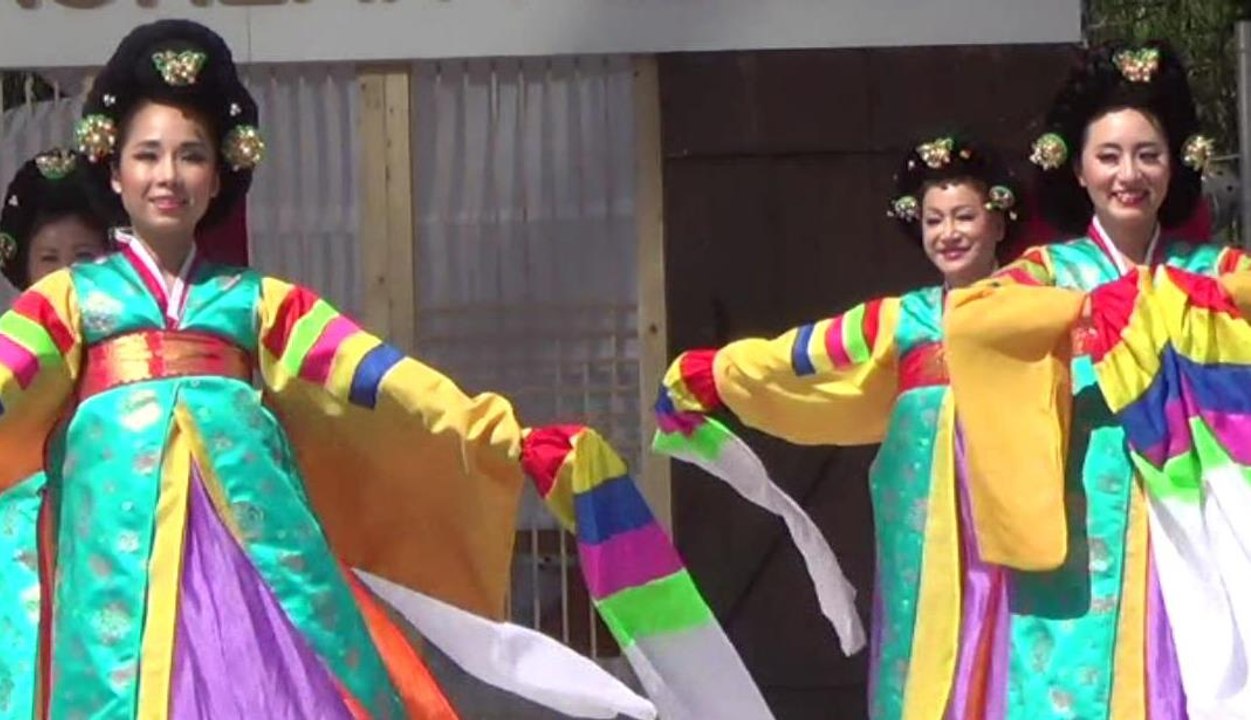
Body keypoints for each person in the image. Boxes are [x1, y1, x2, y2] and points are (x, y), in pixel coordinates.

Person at [0, 19, 680, 718]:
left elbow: (380, 380)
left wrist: (498, 437)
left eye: (190, 155)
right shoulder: (71, 302)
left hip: (253, 561)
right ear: (114, 170)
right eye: (147, 155)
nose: (167, 175)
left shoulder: (261, 304)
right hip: (114, 559)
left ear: (218, 175)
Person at [653, 135, 1024, 720]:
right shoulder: (902, 319)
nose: (948, 233)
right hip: (922, 527)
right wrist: (718, 372)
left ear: (999, 223)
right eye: (933, 220)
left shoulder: (1039, 306)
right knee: (921, 650)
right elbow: (801, 356)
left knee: (1017, 653)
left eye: (964, 216)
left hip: (1015, 518)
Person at [942, 41, 1251, 717]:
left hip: (1203, 531)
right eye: (1107, 156)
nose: (1128, 173)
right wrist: (1085, 312)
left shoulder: (1211, 267)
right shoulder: (1046, 273)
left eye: (1148, 154)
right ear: (1075, 168)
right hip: (1087, 541)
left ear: (1177, 164)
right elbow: (970, 322)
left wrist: (1184, 306)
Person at [0, 147, 112, 719]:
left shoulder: (131, 355)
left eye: (85, 257)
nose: (67, 276)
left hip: (111, 539)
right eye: (49, 258)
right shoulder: (7, 354)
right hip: (14, 551)